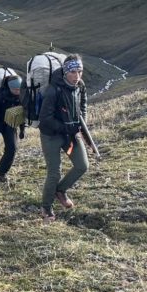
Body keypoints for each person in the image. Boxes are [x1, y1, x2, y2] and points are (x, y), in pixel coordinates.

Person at [37, 54, 88, 223]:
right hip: (51, 136)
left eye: (79, 71)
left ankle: (60, 191)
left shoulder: (80, 86)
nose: (77, 76)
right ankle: (46, 207)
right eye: (73, 72)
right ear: (66, 72)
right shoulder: (54, 90)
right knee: (54, 172)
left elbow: (83, 106)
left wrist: (81, 125)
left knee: (82, 165)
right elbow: (45, 120)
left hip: (71, 134)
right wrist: (66, 127)